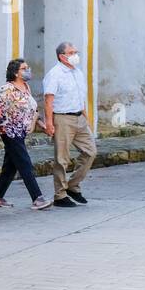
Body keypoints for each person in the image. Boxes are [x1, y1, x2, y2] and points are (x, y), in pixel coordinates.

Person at [0, 58, 52, 210]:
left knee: (10, 166)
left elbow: (31, 110)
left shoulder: (26, 87)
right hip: (9, 131)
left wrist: (41, 124)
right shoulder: (7, 89)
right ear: (15, 72)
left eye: (28, 67)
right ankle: (37, 198)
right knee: (25, 163)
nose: (28, 70)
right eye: (24, 68)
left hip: (21, 131)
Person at [42, 40, 97, 208]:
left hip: (79, 117)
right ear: (62, 56)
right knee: (62, 158)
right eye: (72, 52)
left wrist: (86, 118)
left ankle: (72, 185)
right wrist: (49, 123)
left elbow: (81, 98)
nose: (75, 55)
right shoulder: (55, 74)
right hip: (62, 118)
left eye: (75, 52)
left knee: (91, 152)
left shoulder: (77, 72)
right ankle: (60, 195)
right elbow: (48, 100)